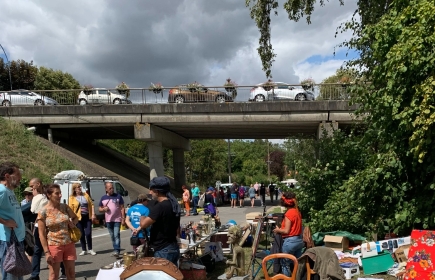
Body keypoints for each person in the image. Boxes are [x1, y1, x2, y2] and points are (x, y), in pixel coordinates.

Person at [37, 184, 78, 280]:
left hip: (69, 243)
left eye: (60, 193)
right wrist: (47, 252)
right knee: (53, 275)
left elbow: (75, 218)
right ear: (49, 195)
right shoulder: (43, 211)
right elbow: (41, 234)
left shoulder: (65, 207)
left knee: (71, 273)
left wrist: (73, 223)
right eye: (57, 193)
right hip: (54, 245)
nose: (60, 195)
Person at [140, 176, 181, 265]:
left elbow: (143, 224)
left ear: (157, 191)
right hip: (172, 246)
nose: (149, 192)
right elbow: (177, 226)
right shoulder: (173, 204)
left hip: (163, 250)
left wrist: (142, 216)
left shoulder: (160, 207)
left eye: (151, 190)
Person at [0, 162, 26, 280]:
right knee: (10, 277)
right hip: (7, 241)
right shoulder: (2, 190)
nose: (20, 177)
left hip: (15, 239)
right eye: (17, 174)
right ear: (7, 176)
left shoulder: (9, 191)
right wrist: (5, 222)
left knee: (17, 276)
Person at [272, 191, 303, 277]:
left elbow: (286, 231)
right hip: (299, 240)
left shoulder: (289, 213)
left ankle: (287, 278)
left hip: (290, 242)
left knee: (285, 264)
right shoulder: (297, 211)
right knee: (296, 264)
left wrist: (278, 230)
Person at [68, 183, 97, 256]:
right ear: (74, 189)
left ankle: (90, 249)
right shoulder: (71, 197)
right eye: (78, 187)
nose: (79, 188)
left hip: (87, 217)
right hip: (78, 218)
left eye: (80, 187)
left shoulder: (85, 195)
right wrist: (71, 218)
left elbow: (92, 205)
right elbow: (70, 209)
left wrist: (93, 214)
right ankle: (84, 249)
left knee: (88, 233)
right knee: (81, 234)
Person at [98, 182, 125, 258]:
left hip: (117, 219)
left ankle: (117, 250)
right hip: (108, 220)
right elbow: (99, 208)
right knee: (112, 235)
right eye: (110, 188)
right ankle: (115, 249)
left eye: (112, 188)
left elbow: (122, 208)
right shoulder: (103, 198)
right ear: (106, 189)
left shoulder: (118, 196)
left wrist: (123, 218)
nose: (112, 189)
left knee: (116, 235)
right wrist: (104, 209)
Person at [29, 178, 48, 280]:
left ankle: (63, 271)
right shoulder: (38, 196)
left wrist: (36, 197)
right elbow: (34, 211)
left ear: (38, 184)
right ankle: (34, 275)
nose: (32, 189)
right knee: (37, 251)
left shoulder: (45, 195)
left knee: (53, 249)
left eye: (32, 186)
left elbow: (33, 209)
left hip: (49, 227)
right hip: (38, 226)